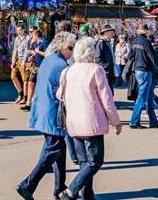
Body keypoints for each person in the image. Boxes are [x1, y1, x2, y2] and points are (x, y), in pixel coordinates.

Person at [56, 36, 122, 200]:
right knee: (95, 162)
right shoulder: (95, 70)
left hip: (73, 123)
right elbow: (106, 99)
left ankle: (88, 195)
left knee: (85, 163)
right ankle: (71, 191)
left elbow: (59, 95)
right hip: (91, 123)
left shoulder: (68, 71)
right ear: (90, 52)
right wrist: (116, 121)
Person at [16, 32, 76, 200]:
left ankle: (60, 188)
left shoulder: (49, 59)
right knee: (53, 150)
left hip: (42, 109)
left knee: (59, 150)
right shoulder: (61, 65)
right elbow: (66, 91)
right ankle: (27, 185)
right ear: (62, 46)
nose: (72, 52)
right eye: (70, 48)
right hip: (52, 112)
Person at [129, 24, 158, 129]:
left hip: (137, 71)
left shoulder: (134, 41)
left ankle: (153, 121)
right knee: (142, 98)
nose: (149, 32)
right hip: (145, 71)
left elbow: (130, 56)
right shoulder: (146, 42)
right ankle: (134, 122)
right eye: (147, 31)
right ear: (145, 32)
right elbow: (153, 57)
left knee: (149, 97)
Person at [11, 24, 31, 105]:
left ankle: (25, 97)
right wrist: (13, 61)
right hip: (18, 59)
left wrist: (25, 62)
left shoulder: (27, 38)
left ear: (23, 30)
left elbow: (28, 50)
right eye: (17, 30)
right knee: (13, 76)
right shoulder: (16, 38)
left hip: (24, 60)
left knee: (25, 79)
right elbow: (15, 50)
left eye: (20, 30)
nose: (18, 32)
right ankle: (20, 93)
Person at [94, 24, 117, 91]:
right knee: (107, 92)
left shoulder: (107, 42)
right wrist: (106, 68)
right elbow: (98, 58)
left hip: (109, 72)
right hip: (105, 72)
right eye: (110, 31)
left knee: (109, 91)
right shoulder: (101, 42)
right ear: (106, 32)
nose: (112, 33)